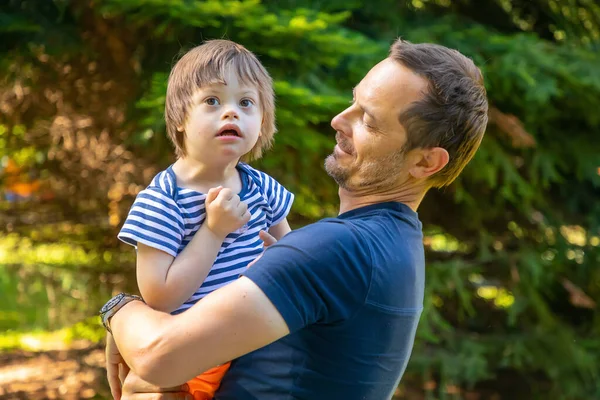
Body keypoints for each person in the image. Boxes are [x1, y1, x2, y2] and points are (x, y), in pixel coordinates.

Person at [102, 38, 489, 400]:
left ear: (425, 161)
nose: (339, 119)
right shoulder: (394, 243)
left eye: (368, 120)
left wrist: (119, 310)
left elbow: (157, 356)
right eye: (352, 102)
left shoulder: (340, 248)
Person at [115, 39, 293, 400]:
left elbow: (293, 256)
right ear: (180, 118)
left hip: (262, 343)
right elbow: (160, 297)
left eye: (246, 103)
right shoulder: (164, 200)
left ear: (262, 123)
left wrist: (282, 256)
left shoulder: (261, 187)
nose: (231, 113)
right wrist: (213, 232)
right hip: (198, 356)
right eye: (212, 101)